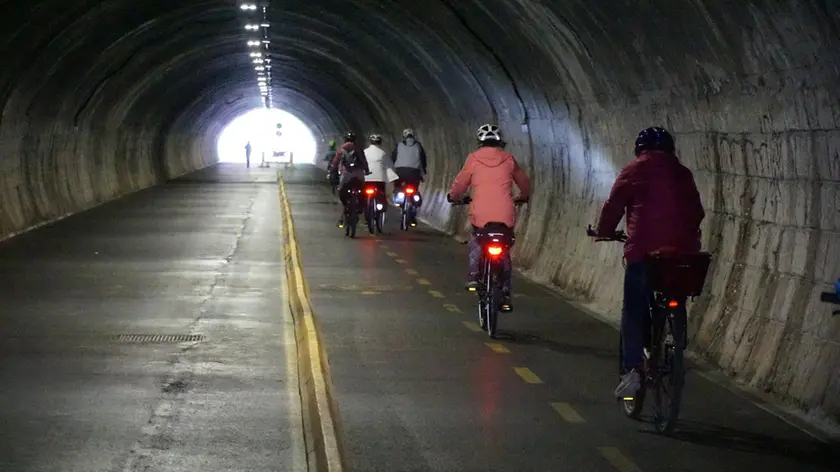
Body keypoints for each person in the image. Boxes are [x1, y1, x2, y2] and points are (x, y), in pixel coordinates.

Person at [593, 126, 705, 398]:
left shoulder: (634, 170)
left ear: (639, 149)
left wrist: (605, 231)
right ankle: (673, 341)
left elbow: (614, 206)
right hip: (683, 256)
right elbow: (697, 212)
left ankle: (632, 371)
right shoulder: (683, 173)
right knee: (672, 291)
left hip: (644, 253)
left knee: (633, 310)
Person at [446, 124, 531, 312]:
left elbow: (460, 182)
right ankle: (506, 293)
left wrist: (453, 196)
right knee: (504, 251)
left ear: (480, 142)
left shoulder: (473, 159)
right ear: (499, 141)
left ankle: (474, 277)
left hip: (481, 213)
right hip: (505, 213)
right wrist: (523, 196)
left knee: (477, 240)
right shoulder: (509, 159)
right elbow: (524, 181)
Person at [328, 132, 370, 226]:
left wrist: (332, 170)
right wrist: (367, 171)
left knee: (342, 191)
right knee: (363, 190)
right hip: (358, 174)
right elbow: (364, 161)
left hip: (346, 174)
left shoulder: (341, 149)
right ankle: (360, 208)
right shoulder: (358, 149)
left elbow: (335, 162)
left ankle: (346, 206)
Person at [390, 128, 428, 205]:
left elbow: (393, 158)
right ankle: (415, 200)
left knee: (398, 185)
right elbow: (423, 160)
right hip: (414, 173)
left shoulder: (399, 145)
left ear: (404, 137)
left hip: (400, 172)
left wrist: (392, 169)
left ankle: (397, 197)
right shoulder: (418, 145)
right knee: (414, 187)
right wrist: (423, 171)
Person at [363, 134, 398, 210]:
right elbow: (390, 166)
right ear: (380, 142)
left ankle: (364, 208)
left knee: (363, 196)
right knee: (381, 195)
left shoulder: (364, 152)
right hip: (379, 180)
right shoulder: (382, 153)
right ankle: (382, 209)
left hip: (366, 179)